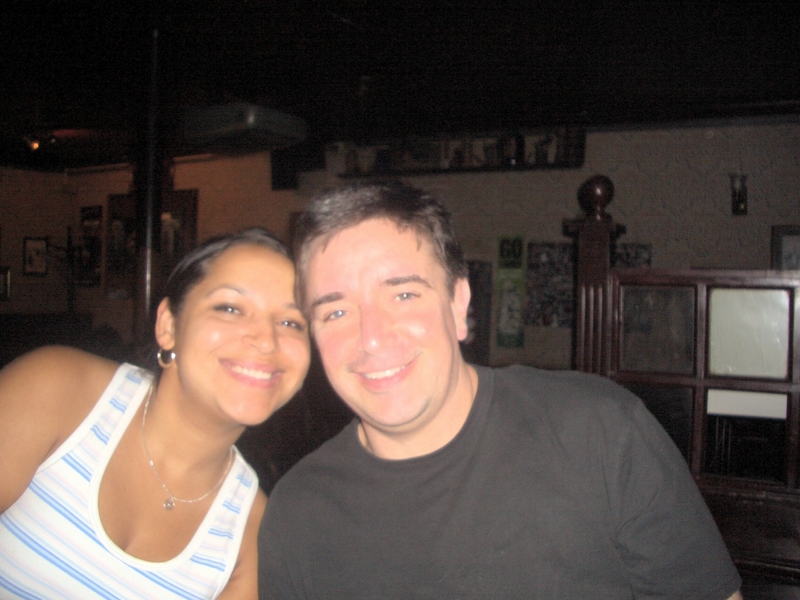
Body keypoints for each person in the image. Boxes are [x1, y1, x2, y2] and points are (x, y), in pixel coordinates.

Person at [258, 181, 743, 599]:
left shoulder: (600, 432)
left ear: (458, 303)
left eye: (403, 294)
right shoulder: (297, 513)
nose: (372, 338)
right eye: (336, 312)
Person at [0, 228, 310, 599]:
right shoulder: (58, 390)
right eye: (229, 308)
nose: (267, 340)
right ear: (168, 326)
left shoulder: (252, 535)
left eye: (292, 323)